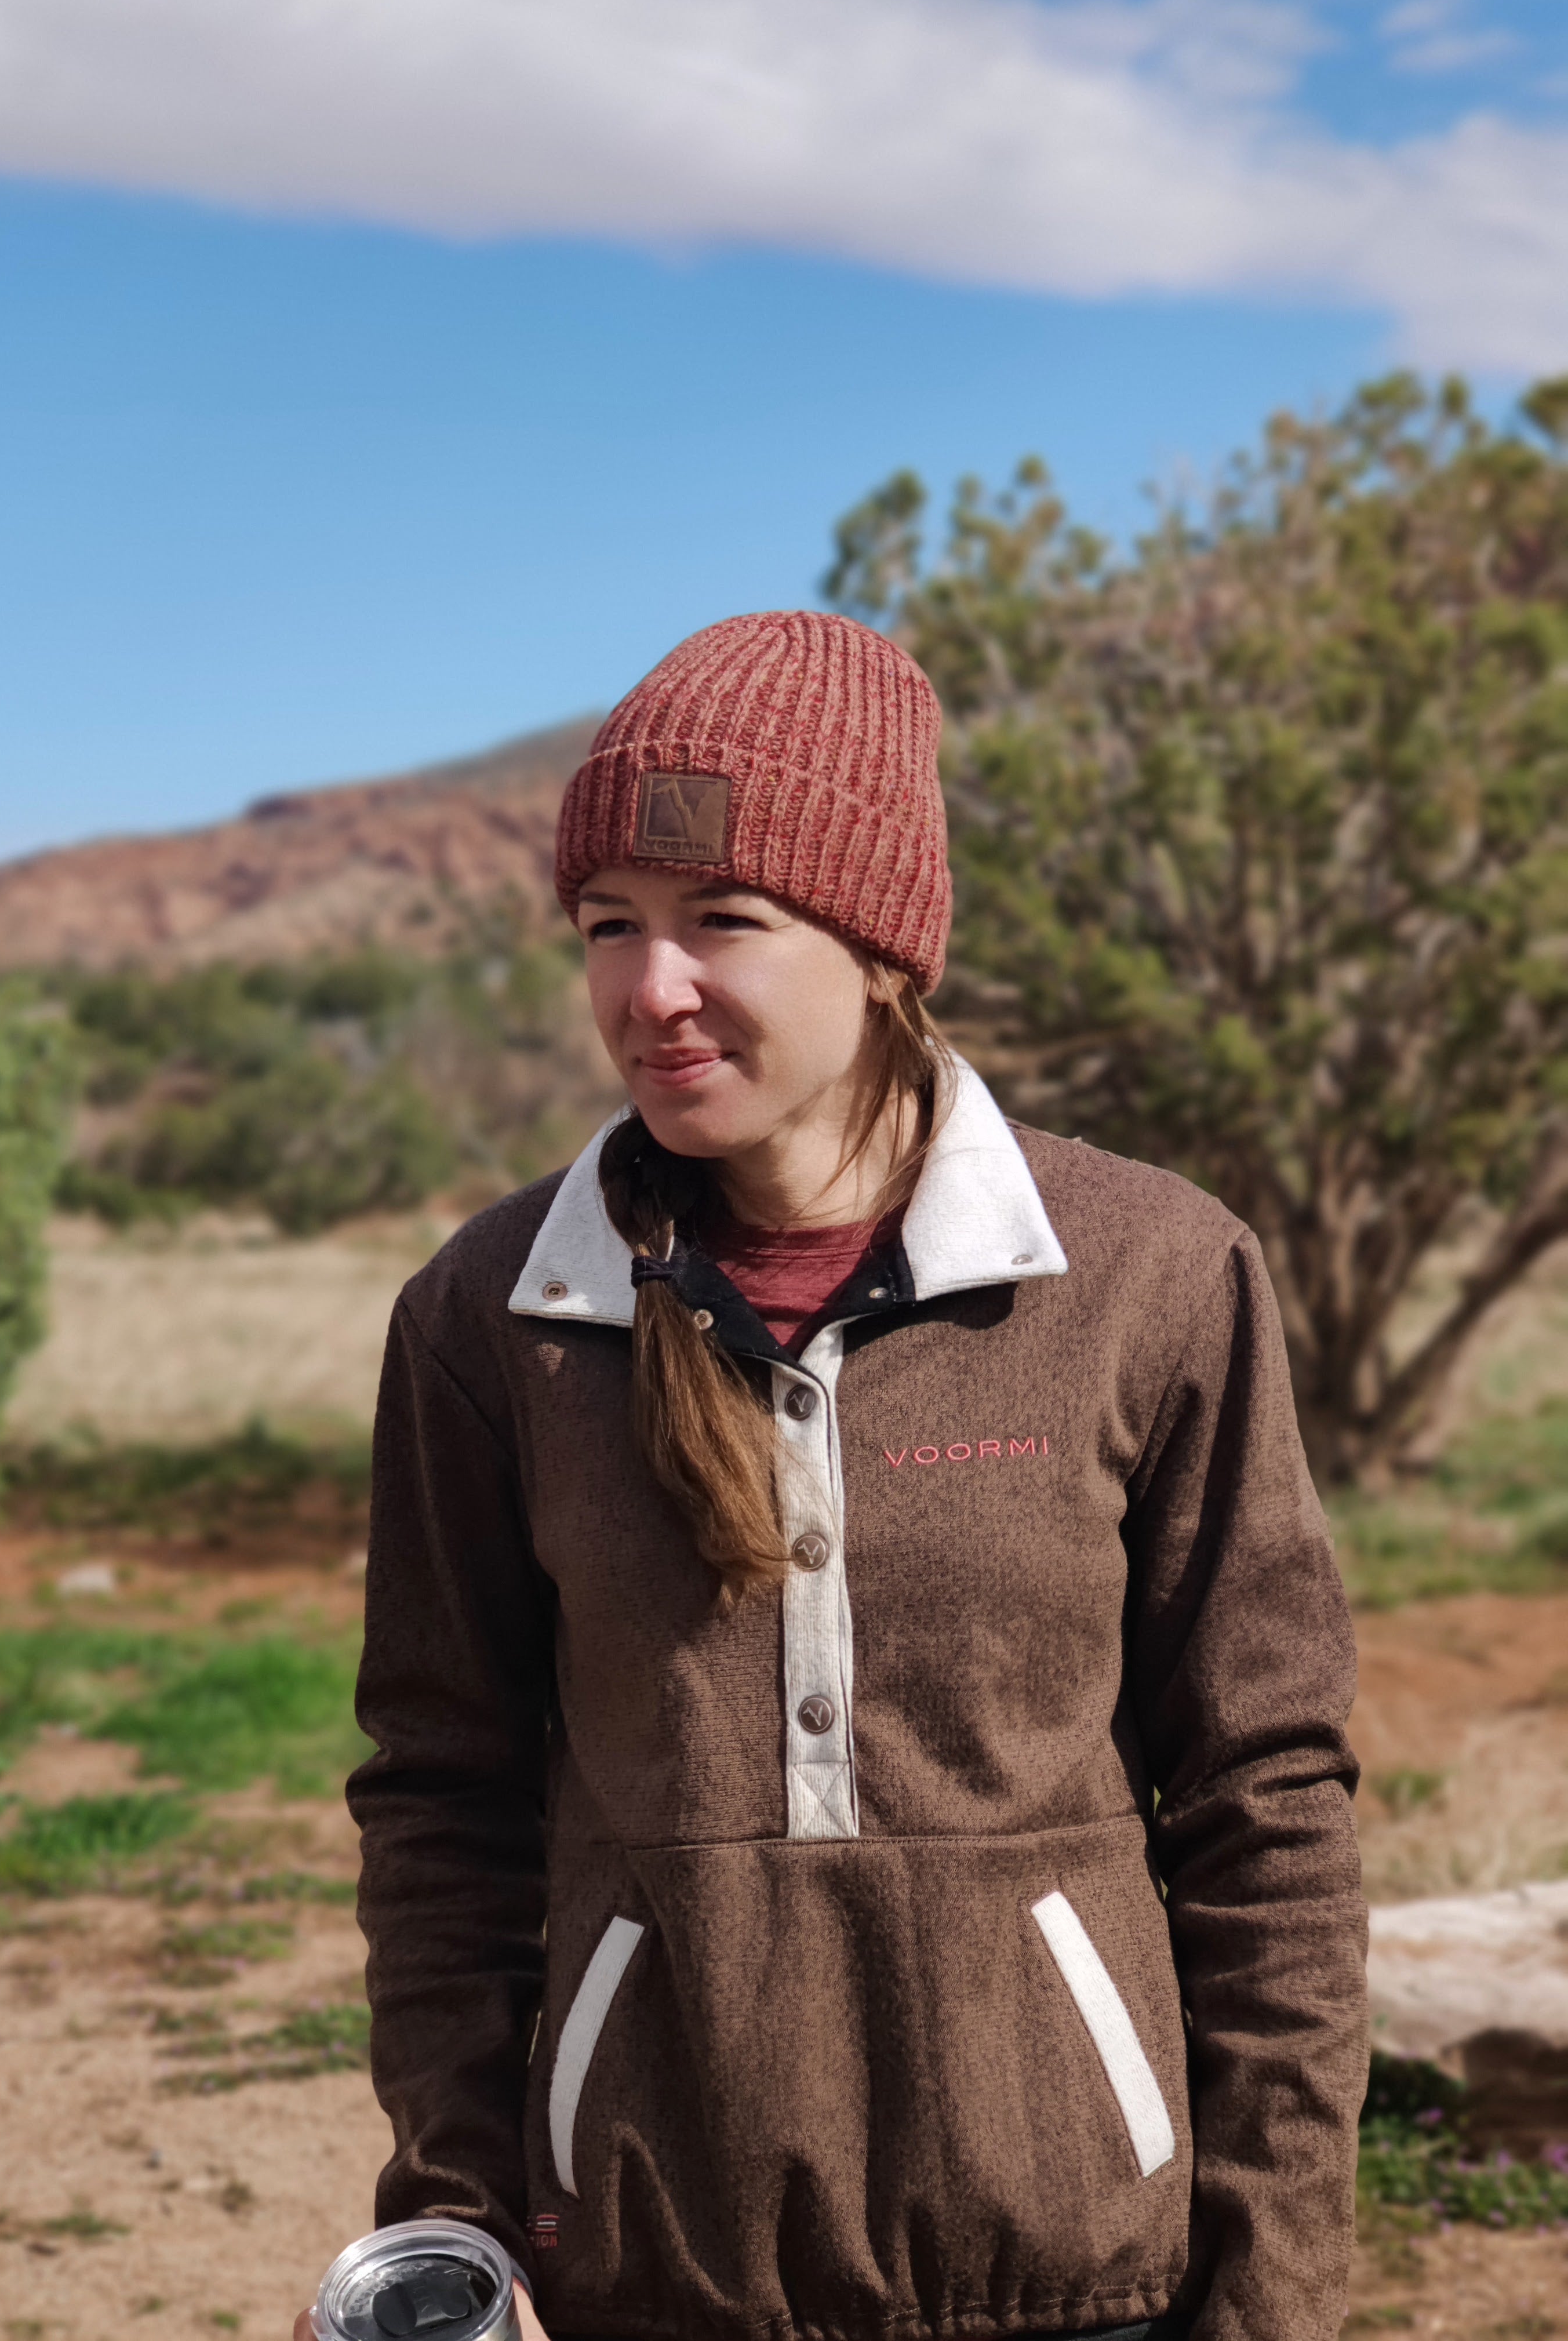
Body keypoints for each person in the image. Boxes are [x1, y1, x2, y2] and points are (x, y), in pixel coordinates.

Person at [309, 612, 1367, 2341]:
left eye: (723, 918)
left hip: (1082, 2276)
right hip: (647, 2278)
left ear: (881, 948)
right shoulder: (492, 1322)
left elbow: (1270, 1808)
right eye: (608, 926)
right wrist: (457, 2230)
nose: (651, 990)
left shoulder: (1154, 1278)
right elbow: (443, 1804)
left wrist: (1272, 2294)